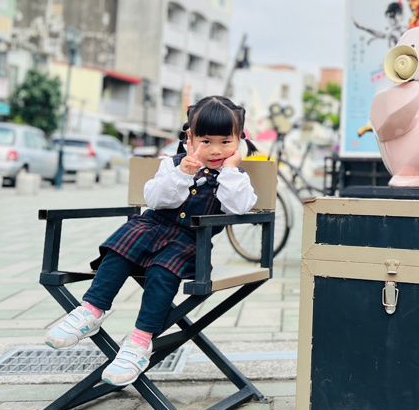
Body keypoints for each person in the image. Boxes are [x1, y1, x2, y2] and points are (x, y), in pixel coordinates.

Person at [43, 96, 258, 386]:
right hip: (152, 228)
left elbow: (239, 207)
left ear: (239, 140)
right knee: (120, 249)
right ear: (190, 138)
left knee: (162, 271)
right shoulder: (172, 165)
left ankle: (140, 342)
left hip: (191, 241)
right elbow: (155, 200)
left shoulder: (235, 178)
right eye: (206, 141)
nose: (216, 150)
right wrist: (183, 175)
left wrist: (230, 169)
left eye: (226, 142)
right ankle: (91, 310)